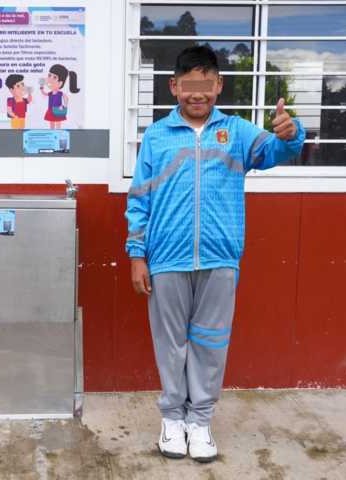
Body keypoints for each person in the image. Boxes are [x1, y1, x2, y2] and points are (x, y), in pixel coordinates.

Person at [125, 46, 305, 463]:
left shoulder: (237, 132)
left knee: (210, 343)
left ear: (219, 86)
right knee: (171, 344)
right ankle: (172, 418)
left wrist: (290, 133)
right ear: (174, 87)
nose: (197, 93)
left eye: (205, 84)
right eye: (189, 84)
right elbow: (139, 198)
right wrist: (137, 254)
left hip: (220, 259)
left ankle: (200, 420)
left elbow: (276, 151)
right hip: (166, 258)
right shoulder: (156, 136)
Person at [40, 64, 79, 129]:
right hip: (50, 110)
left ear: (60, 83)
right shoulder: (50, 93)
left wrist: (64, 106)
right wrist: (41, 87)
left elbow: (66, 99)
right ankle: (52, 132)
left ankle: (58, 132)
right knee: (51, 122)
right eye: (49, 75)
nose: (49, 79)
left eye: (54, 77)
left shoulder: (60, 93)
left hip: (58, 110)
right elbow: (44, 94)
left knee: (58, 123)